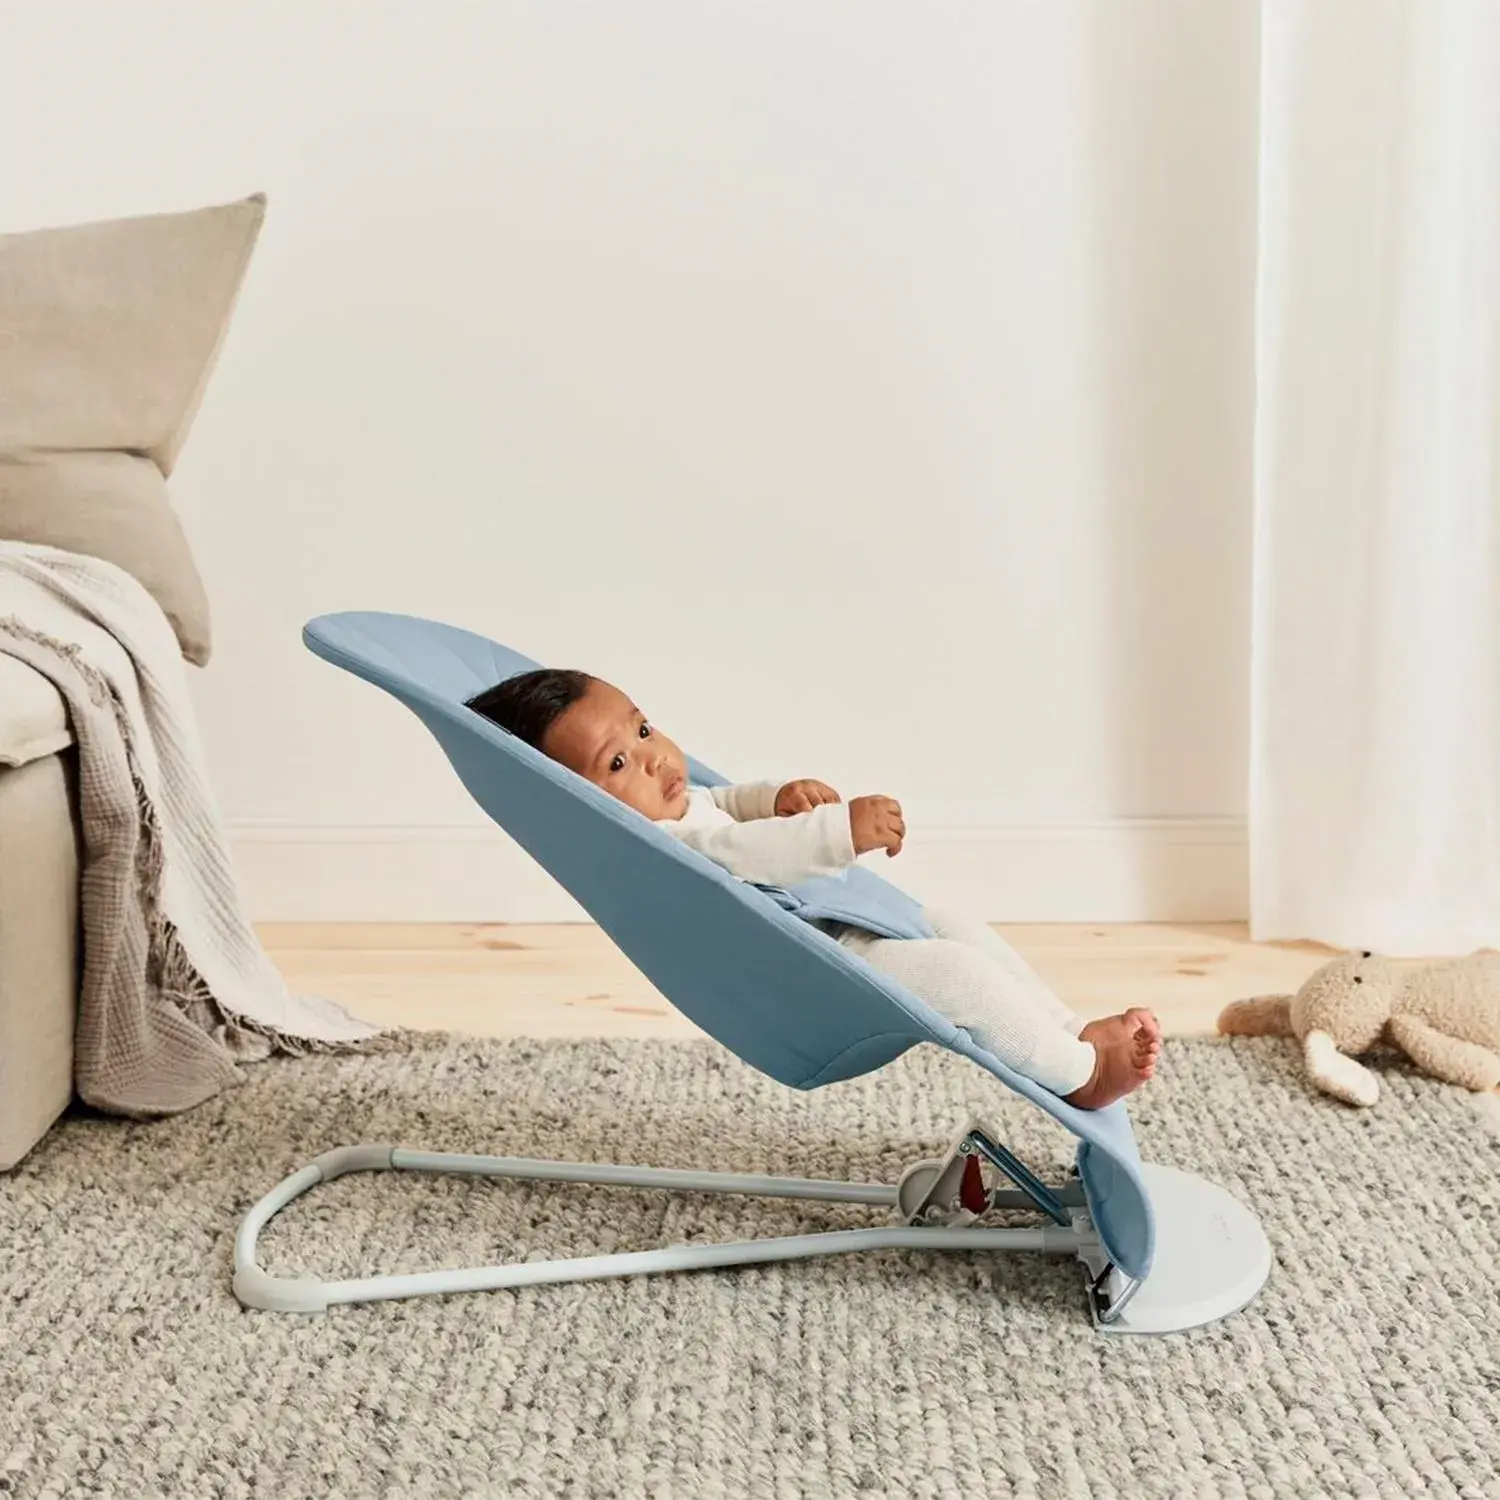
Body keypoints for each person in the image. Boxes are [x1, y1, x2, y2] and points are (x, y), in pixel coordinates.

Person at [466, 669, 1162, 1108]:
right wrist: (837, 831)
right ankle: (1079, 1074)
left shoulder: (676, 806)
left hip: (843, 924)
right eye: (618, 762)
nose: (652, 757)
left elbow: (726, 803)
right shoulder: (666, 848)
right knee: (955, 973)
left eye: (643, 728)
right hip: (822, 966)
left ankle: (1070, 1029)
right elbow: (746, 851)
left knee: (954, 923)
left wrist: (776, 796)